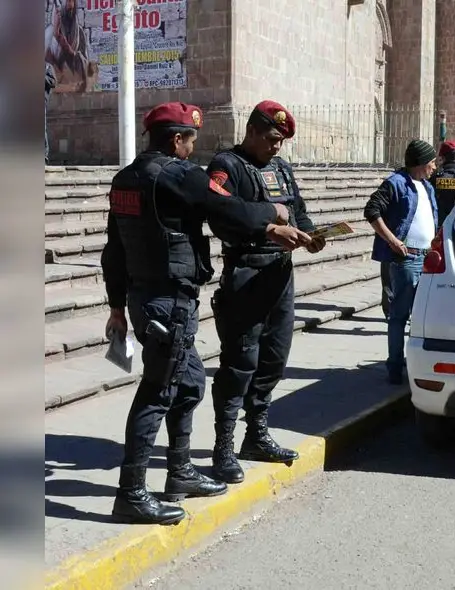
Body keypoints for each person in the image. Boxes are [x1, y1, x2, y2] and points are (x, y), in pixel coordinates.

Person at [101, 102, 311, 525]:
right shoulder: (178, 175)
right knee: (157, 391)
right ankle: (132, 492)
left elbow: (114, 250)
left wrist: (117, 307)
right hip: (169, 300)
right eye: (191, 140)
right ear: (177, 139)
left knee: (192, 382)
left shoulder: (125, 180)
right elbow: (227, 208)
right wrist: (272, 215)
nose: (193, 148)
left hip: (145, 299)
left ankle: (179, 472)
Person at [207, 100, 327, 485]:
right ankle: (223, 447)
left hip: (280, 275)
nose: (277, 147)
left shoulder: (281, 169)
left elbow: (298, 209)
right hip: (246, 273)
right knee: (239, 363)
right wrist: (269, 228)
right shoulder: (226, 166)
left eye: (282, 141)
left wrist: (311, 235)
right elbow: (221, 215)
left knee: (274, 359)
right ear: (252, 131)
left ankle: (255, 436)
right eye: (272, 139)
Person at [364, 139, 438, 384]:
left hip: (428, 259)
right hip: (408, 259)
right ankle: (395, 366)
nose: (435, 167)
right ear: (420, 163)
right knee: (399, 315)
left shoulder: (426, 186)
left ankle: (417, 363)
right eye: (431, 162)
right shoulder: (396, 183)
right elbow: (371, 210)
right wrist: (393, 241)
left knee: (423, 316)